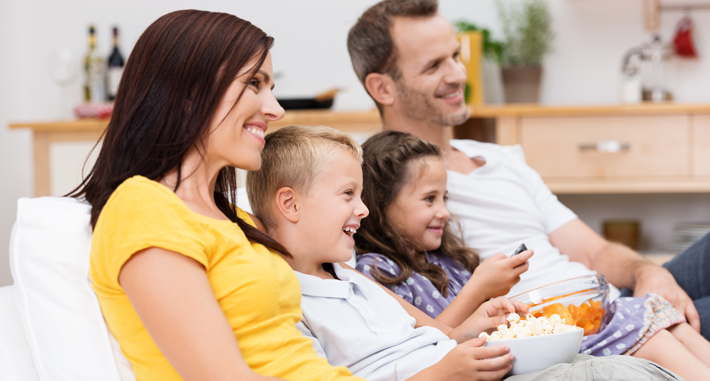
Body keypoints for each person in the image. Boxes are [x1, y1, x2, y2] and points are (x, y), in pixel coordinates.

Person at [346, 0, 710, 341]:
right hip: (576, 327)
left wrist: (648, 272)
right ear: (383, 88)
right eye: (434, 65)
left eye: (455, 56)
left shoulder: (501, 158)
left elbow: (593, 251)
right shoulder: (377, 182)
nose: (458, 74)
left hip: (613, 299)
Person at [246, 124, 681, 381]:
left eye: (361, 194)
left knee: (634, 371)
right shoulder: (284, 295)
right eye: (347, 194)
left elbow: (439, 335)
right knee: (625, 373)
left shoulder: (352, 277)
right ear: (290, 204)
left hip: (468, 367)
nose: (363, 209)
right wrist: (443, 371)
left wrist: (478, 324)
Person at [68, 10, 364, 381]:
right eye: (255, 84)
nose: (276, 109)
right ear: (191, 93)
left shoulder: (236, 220)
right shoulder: (142, 208)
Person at [354, 130, 710, 380]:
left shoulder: (445, 258)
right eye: (429, 199)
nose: (444, 211)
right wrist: (480, 289)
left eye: (445, 198)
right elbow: (435, 340)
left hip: (555, 321)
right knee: (645, 324)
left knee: (659, 314)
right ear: (381, 205)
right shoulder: (376, 272)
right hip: (517, 355)